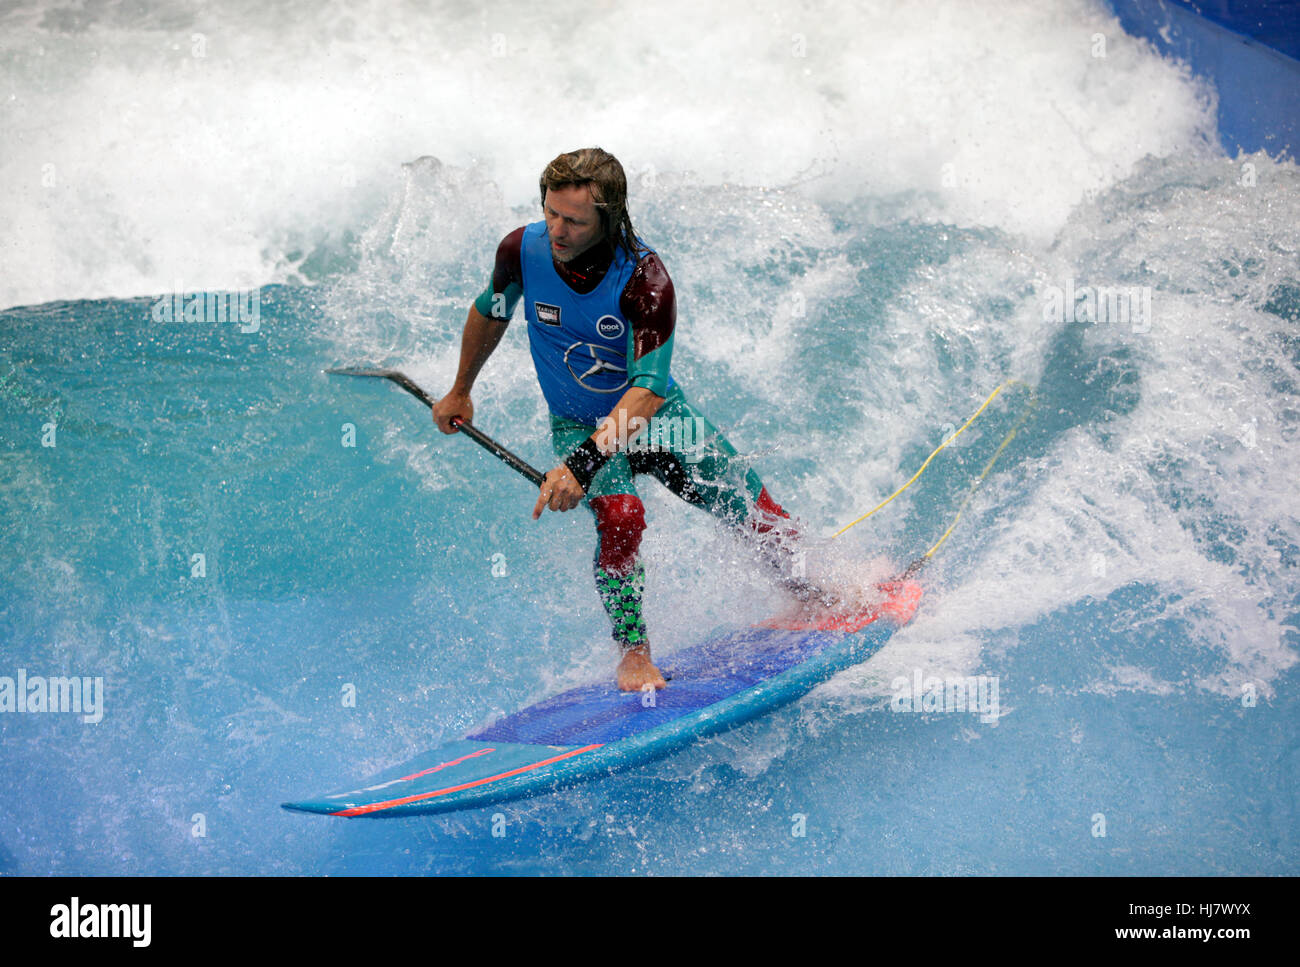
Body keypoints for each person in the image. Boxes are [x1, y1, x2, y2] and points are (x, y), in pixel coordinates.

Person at [433, 148, 809, 692]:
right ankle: (634, 654)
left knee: (751, 504)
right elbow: (491, 309)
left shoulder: (644, 279)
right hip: (577, 421)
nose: (557, 231)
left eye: (574, 221)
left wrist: (579, 467)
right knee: (621, 519)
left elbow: (649, 391)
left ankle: (815, 593)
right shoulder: (521, 250)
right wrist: (460, 389)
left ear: (608, 220)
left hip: (659, 418)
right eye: (550, 213)